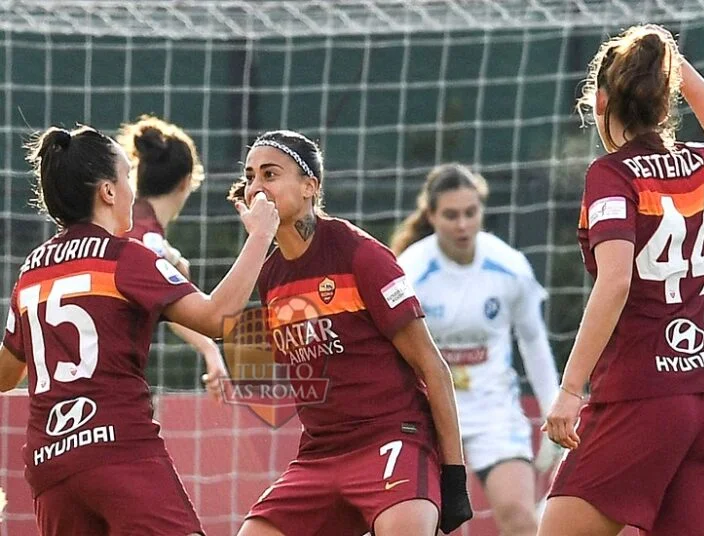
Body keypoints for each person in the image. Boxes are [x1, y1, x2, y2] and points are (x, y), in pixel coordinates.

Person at [0, 124, 279, 535]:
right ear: (108, 192)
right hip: (119, 452)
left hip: (50, 467)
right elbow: (218, 317)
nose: (134, 189)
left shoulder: (31, 273)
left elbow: (6, 376)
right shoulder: (126, 257)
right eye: (127, 177)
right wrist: (260, 236)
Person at [539, 25, 704, 536]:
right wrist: (677, 69)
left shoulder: (611, 175)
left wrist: (570, 389)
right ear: (665, 97)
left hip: (641, 395)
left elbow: (615, 283)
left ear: (602, 99)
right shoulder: (697, 165)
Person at [226, 130, 473, 536]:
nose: (257, 188)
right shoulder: (268, 274)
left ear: (310, 186)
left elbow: (432, 365)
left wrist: (454, 475)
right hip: (319, 456)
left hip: (393, 438)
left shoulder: (361, 254)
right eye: (250, 177)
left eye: (270, 174)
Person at [392, 163, 561, 536]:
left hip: (493, 410)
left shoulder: (510, 267)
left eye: (471, 213)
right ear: (432, 216)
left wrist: (552, 409)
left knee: (520, 516)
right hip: (429, 411)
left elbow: (533, 340)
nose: (463, 225)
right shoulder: (410, 272)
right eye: (451, 215)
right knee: (429, 526)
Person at [118, 115, 226, 401]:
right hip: (107, 386)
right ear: (187, 182)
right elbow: (175, 300)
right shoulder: (147, 243)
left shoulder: (126, 225)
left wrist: (208, 349)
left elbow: (166, 298)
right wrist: (210, 349)